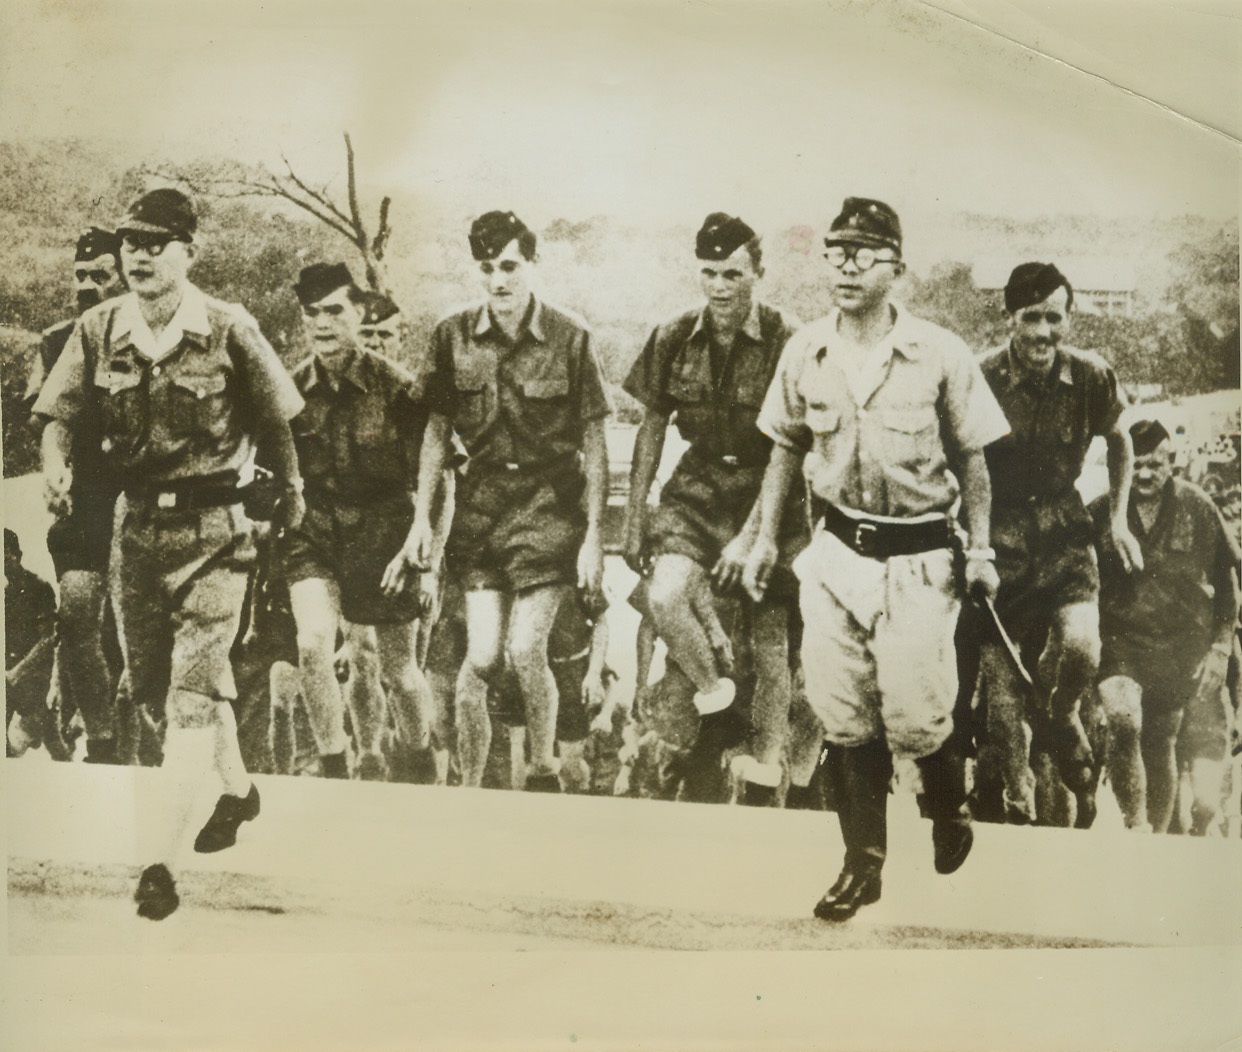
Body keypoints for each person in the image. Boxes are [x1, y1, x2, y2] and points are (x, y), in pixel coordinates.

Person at [33, 188, 305, 920]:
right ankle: (239, 790)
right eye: (131, 243)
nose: (141, 256)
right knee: (152, 690)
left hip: (218, 533)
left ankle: (158, 862)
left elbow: (280, 424)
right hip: (136, 535)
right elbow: (57, 420)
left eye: (157, 243)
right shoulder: (98, 329)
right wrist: (56, 463)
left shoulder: (228, 328)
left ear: (190, 251)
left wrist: (290, 496)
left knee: (190, 694)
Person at [743, 197, 1009, 921]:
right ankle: (863, 864)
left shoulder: (941, 354)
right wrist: (766, 537)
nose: (848, 265)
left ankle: (950, 805)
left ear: (898, 266)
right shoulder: (806, 350)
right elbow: (786, 448)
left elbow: (974, 464)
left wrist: (980, 550)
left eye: (865, 252)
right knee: (842, 714)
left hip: (919, 556)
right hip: (836, 554)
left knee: (919, 716)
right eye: (836, 251)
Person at [399, 210, 610, 792]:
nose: (499, 280)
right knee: (485, 657)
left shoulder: (572, 336)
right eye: (487, 268)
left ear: (532, 265)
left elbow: (595, 444)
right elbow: (437, 433)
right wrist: (421, 517)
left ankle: (543, 769)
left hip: (549, 506)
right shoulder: (453, 335)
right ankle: (471, 788)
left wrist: (594, 536)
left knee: (525, 648)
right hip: (482, 510)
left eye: (510, 266)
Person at [622, 212, 805, 806]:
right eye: (709, 273)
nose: (720, 287)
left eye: (733, 273)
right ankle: (718, 703)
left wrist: (754, 538)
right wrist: (635, 514)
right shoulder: (674, 336)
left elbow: (791, 447)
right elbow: (651, 427)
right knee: (666, 595)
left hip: (770, 497)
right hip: (697, 493)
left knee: (771, 639)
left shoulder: (788, 339)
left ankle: (765, 774)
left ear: (758, 272)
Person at [976, 263, 1140, 825]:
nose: (1044, 332)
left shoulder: (1091, 375)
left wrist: (1116, 520)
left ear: (1068, 317)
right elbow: (958, 457)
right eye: (1031, 318)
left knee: (1083, 647)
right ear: (1010, 318)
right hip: (999, 537)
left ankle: (1062, 713)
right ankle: (1016, 797)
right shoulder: (983, 377)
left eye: (1055, 317)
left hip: (1064, 528)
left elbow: (1121, 443)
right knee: (999, 699)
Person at [283, 263, 439, 783]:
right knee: (312, 644)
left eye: (334, 311)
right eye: (312, 313)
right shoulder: (289, 390)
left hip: (385, 537)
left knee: (399, 673)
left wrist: (425, 551)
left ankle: (419, 763)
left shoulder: (399, 389)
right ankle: (334, 767)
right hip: (316, 533)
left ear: (361, 313)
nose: (322, 323)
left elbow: (441, 477)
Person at [1092, 419, 1240, 833]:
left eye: (1154, 465)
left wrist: (1221, 648)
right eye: (1134, 465)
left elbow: (1228, 585)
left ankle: (1156, 839)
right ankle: (1135, 825)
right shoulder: (1101, 512)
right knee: (1123, 721)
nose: (1143, 475)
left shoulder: (1197, 506)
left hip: (1182, 649)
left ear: (1170, 463)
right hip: (1123, 645)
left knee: (1161, 742)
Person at [25, 226, 129, 764]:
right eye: (80, 276)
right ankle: (104, 741)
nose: (88, 286)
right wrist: (54, 467)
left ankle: (151, 738)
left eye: (100, 275)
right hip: (87, 495)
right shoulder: (57, 340)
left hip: (147, 493)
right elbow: (52, 419)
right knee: (79, 614)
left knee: (140, 635)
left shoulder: (150, 335)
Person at [5, 529, 59, 756]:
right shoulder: (5, 593)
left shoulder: (39, 588)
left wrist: (15, 673)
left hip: (32, 680)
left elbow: (48, 639)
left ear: (15, 555)